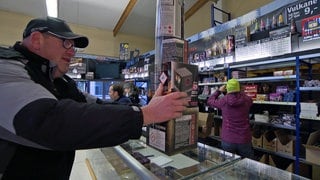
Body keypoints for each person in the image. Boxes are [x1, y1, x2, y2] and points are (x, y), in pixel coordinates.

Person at [0, 16, 189, 180]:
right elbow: (49, 119)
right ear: (36, 39)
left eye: (73, 46)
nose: (72, 51)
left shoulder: (59, 81)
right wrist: (146, 114)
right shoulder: (6, 69)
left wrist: (148, 107)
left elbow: (96, 106)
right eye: (66, 43)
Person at [207, 78, 254, 159]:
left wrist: (219, 91)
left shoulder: (223, 101)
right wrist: (240, 91)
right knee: (247, 165)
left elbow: (210, 101)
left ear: (227, 88)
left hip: (228, 139)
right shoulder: (246, 100)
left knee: (228, 166)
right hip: (244, 138)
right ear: (239, 88)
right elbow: (250, 100)